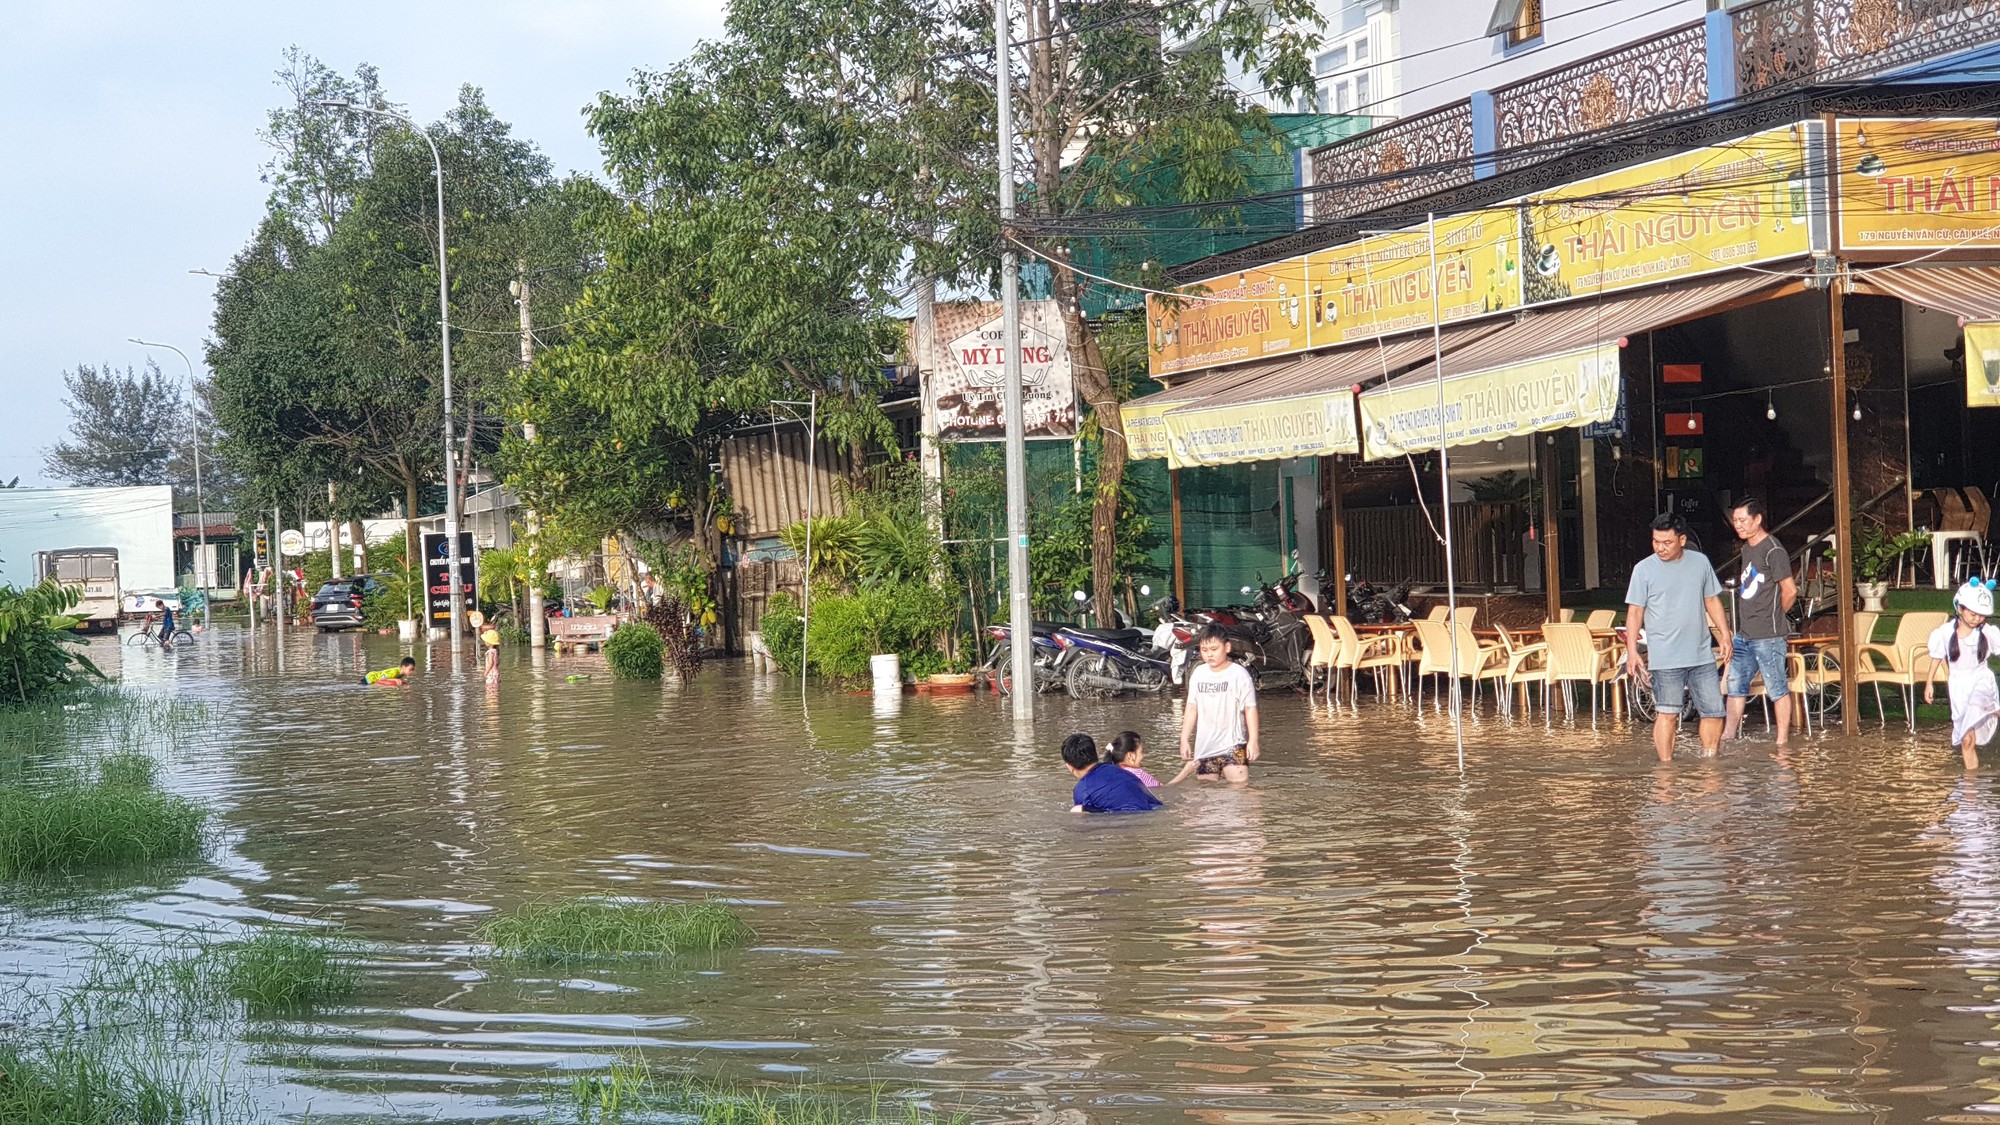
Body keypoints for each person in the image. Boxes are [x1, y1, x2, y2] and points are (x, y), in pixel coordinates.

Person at [1625, 513, 1731, 761]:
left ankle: (1709, 761)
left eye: (1667, 543)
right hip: (1665, 657)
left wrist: (1725, 635)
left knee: (1713, 711)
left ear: (1682, 540)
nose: (1660, 548)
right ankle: (1666, 768)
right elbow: (1634, 613)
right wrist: (1632, 651)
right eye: (1655, 542)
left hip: (1701, 654)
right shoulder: (1643, 570)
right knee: (1668, 713)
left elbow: (1712, 601)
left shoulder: (1700, 563)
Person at [1720, 497, 1798, 744]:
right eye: (1735, 521)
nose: (1738, 525)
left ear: (1757, 519)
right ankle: (1728, 736)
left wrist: (1775, 614)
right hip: (1744, 634)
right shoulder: (1746, 549)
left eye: (1743, 520)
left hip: (1769, 635)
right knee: (1735, 687)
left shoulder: (1773, 550)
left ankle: (1782, 741)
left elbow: (1790, 590)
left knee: (1776, 688)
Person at [1926, 580, 2000, 770]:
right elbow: (1936, 656)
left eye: (1981, 615)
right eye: (1972, 614)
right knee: (1967, 739)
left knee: (1984, 705)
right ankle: (1971, 789)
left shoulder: (1986, 633)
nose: (1977, 618)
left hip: (1981, 679)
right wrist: (1929, 683)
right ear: (1960, 608)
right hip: (1959, 685)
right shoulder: (1945, 633)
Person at [1177, 624, 1260, 784]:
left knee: (1241, 789)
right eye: (1204, 650)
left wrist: (1253, 740)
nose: (1209, 655)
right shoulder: (1198, 673)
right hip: (1205, 746)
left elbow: (1250, 708)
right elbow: (1192, 708)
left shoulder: (1239, 674)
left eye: (1214, 649)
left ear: (1227, 647)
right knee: (1207, 794)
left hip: (1233, 745)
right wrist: (1184, 739)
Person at [1062, 732, 1162, 813]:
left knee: (1077, 810)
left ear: (1069, 766)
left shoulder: (1082, 790)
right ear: (1095, 754)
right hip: (1156, 810)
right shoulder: (1120, 771)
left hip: (1131, 821)